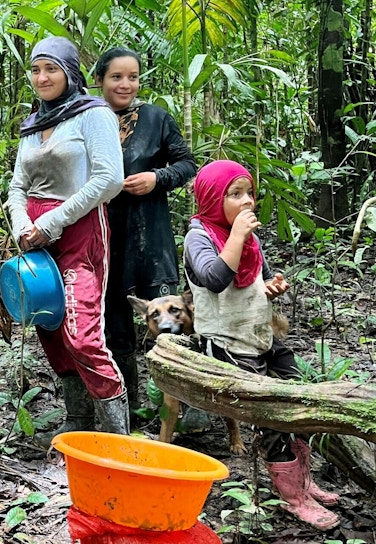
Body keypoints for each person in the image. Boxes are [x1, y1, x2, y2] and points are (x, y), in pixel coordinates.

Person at [184, 159, 340, 531]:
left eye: (249, 193)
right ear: (211, 199)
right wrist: (237, 236)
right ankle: (291, 495)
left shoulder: (247, 237)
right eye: (235, 194)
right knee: (271, 415)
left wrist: (273, 285)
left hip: (260, 337)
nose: (247, 201)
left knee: (300, 393)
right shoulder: (199, 237)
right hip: (229, 344)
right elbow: (214, 279)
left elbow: (262, 277)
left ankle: (304, 480)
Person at [7, 36, 126, 444]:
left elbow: (109, 179)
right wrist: (22, 224)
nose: (41, 77)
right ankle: (78, 422)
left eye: (51, 69)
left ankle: (118, 439)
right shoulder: (33, 124)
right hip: (37, 241)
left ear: (70, 73)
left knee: (82, 335)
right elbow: (18, 186)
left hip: (80, 233)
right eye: (35, 69)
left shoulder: (93, 114)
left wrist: (52, 221)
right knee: (51, 329)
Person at [93, 47, 197, 421]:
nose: (126, 84)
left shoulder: (155, 118)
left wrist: (157, 177)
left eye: (133, 77)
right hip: (103, 237)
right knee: (114, 324)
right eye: (116, 77)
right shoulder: (86, 118)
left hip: (152, 237)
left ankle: (180, 409)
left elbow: (187, 164)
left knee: (171, 322)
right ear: (99, 80)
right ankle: (128, 406)